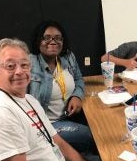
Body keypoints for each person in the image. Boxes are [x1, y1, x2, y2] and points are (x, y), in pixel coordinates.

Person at [28, 20, 95, 154]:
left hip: (71, 116)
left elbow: (79, 79)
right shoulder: (29, 63)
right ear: (38, 40)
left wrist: (77, 96)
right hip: (49, 125)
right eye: (46, 38)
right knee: (93, 136)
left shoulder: (68, 57)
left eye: (58, 38)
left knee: (100, 124)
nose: (53, 41)